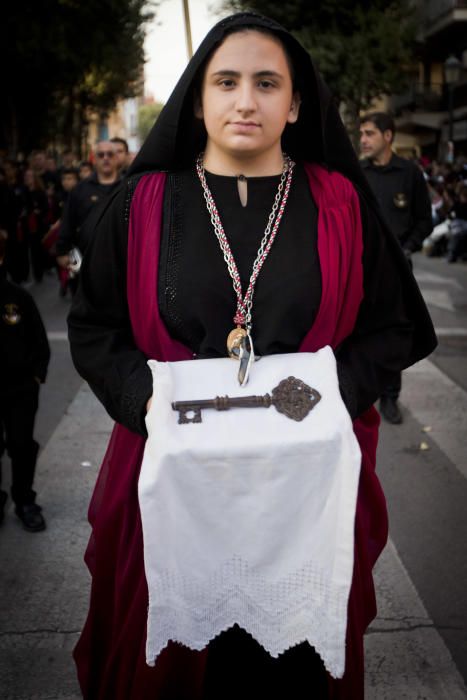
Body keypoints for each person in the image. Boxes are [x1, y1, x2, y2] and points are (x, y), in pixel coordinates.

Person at [68, 13, 436, 699]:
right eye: (226, 81)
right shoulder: (137, 205)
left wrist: (326, 392)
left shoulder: (342, 204)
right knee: (181, 666)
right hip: (173, 488)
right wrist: (140, 398)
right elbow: (93, 327)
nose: (245, 101)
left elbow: (394, 328)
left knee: (292, 669)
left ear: (295, 103)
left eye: (267, 83)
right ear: (197, 98)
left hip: (307, 492)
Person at [359, 112, 433, 424]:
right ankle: (359, 395)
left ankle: (390, 397)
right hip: (359, 265)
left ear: (388, 136)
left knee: (391, 333)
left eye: (370, 133)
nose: (363, 139)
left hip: (396, 268)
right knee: (357, 330)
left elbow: (424, 220)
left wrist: (407, 248)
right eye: (361, 133)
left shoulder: (409, 173)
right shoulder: (357, 172)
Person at [0, 231, 50, 531]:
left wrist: (36, 375)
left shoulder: (18, 298)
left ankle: (24, 500)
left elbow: (39, 341)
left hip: (19, 388)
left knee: (21, 445)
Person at [56, 141, 121, 278]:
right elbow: (68, 220)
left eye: (110, 154)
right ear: (95, 160)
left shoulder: (128, 187)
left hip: (121, 258)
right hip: (86, 258)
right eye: (101, 155)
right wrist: (62, 251)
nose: (106, 158)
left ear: (116, 158)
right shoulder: (80, 190)